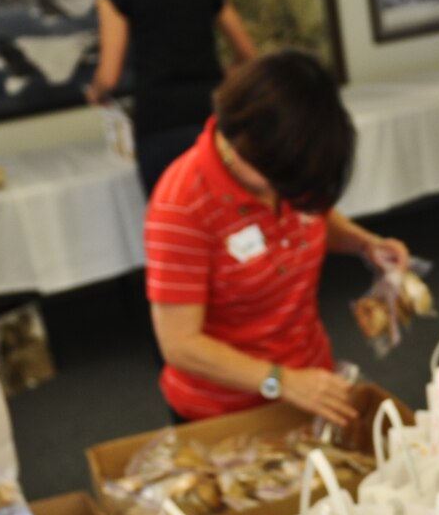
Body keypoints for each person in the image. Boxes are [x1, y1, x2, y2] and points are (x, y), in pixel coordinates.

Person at [145, 49, 409, 430]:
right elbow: (180, 344)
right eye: (282, 182)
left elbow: (308, 217)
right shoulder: (182, 206)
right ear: (243, 146)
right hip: (225, 413)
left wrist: (364, 243)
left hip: (310, 382)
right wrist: (279, 382)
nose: (286, 194)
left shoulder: (281, 169)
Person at [87, 0, 259, 196]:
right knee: (229, 217)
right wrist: (225, 75)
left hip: (161, 121)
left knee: (175, 225)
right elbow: (248, 52)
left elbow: (109, 76)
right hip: (213, 117)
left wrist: (95, 92)